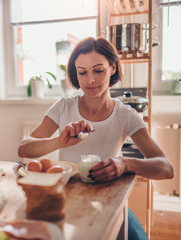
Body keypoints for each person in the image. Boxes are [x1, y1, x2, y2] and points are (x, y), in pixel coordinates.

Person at [18, 37, 174, 239]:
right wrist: (59, 141)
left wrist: (125, 164)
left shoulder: (126, 115)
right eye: (82, 72)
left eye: (98, 70)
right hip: (65, 197)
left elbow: (166, 168)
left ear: (113, 68)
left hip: (108, 199)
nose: (90, 79)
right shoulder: (63, 107)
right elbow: (24, 149)